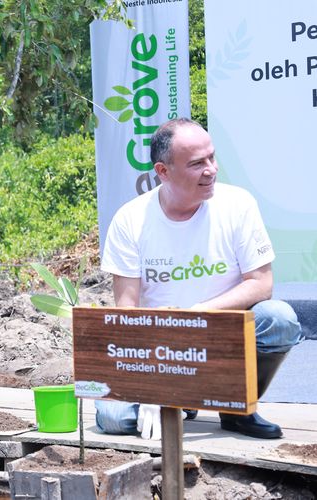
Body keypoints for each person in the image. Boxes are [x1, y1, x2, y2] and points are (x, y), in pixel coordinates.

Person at [97, 118, 302, 440]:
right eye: (196, 163)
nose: (211, 169)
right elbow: (127, 312)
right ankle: (181, 397)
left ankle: (237, 408)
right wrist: (151, 381)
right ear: (163, 171)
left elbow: (261, 284)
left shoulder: (238, 204)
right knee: (114, 420)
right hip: (161, 348)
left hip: (224, 336)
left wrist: (195, 313)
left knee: (279, 319)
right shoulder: (130, 220)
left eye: (212, 157)